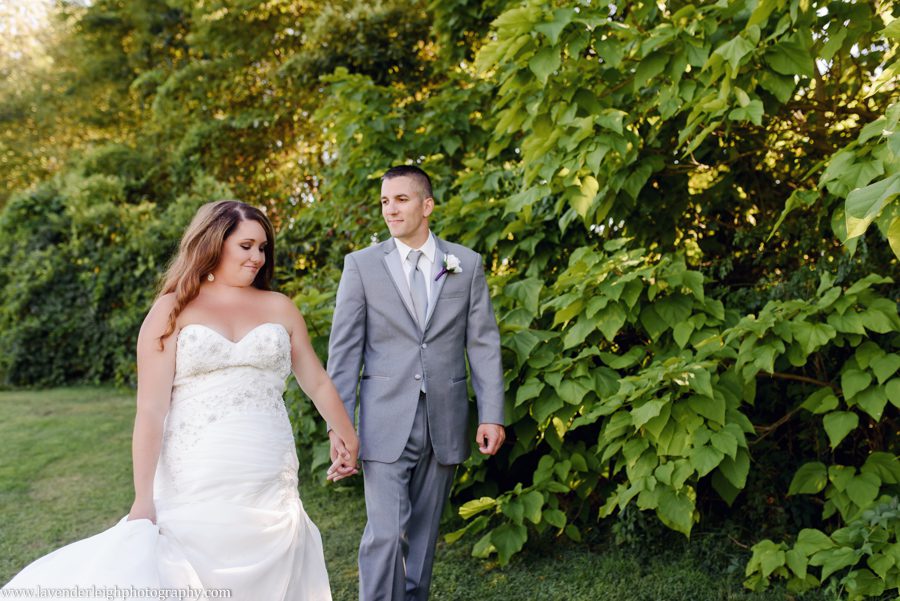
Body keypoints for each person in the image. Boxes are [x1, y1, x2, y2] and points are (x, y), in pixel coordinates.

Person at [2, 200, 359, 600]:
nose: (257, 257)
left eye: (262, 248)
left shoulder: (280, 307)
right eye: (246, 246)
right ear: (214, 243)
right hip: (195, 470)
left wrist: (343, 433)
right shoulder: (172, 310)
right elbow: (151, 412)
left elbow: (317, 380)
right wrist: (142, 499)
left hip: (268, 469)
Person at [327, 165, 506, 601]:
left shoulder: (465, 264)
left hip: (444, 419)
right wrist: (339, 427)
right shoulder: (362, 267)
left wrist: (491, 416)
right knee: (385, 536)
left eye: (401, 199)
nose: (391, 209)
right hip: (384, 419)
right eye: (385, 201)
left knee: (423, 540)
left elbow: (483, 344)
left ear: (427, 206)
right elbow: (344, 353)